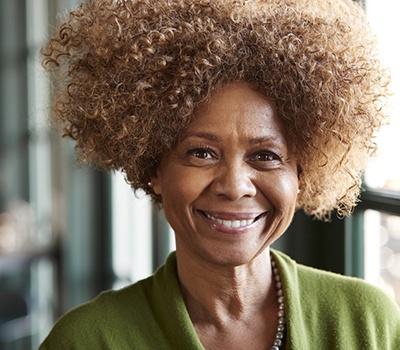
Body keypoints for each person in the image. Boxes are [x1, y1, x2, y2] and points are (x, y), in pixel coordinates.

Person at [40, 0, 400, 349]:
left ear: (301, 171)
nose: (234, 186)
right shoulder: (86, 340)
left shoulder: (368, 322)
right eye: (201, 153)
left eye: (265, 156)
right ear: (155, 170)